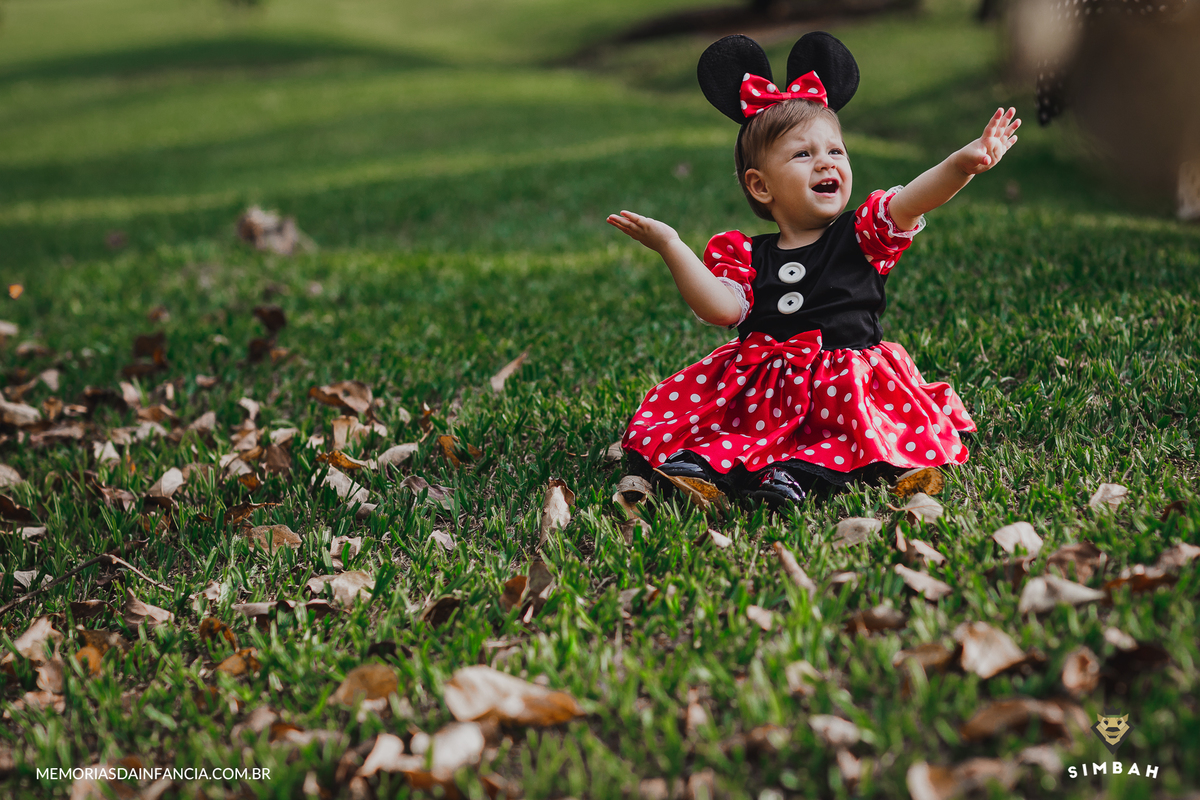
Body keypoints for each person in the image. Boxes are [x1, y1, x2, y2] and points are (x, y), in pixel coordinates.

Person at [607, 32, 1019, 506]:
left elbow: (913, 198)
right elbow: (720, 309)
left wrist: (961, 165)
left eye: (836, 151)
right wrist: (671, 245)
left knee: (845, 438)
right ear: (760, 186)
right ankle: (702, 466)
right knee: (727, 429)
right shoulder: (745, 253)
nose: (826, 163)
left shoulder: (863, 234)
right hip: (764, 392)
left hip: (843, 388)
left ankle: (793, 475)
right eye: (803, 154)